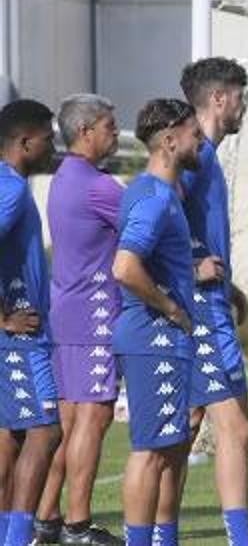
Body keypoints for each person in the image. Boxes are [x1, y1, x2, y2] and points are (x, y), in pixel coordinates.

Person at [34, 95, 124, 546]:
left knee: (70, 424)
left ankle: (47, 521)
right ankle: (77, 526)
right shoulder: (99, 186)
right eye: (110, 124)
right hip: (95, 317)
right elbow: (150, 228)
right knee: (94, 417)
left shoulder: (63, 178)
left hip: (64, 313)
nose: (116, 131)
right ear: (85, 130)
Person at [110, 99, 201, 546]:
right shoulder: (152, 197)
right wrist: (171, 309)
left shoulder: (166, 193)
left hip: (166, 340)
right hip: (152, 338)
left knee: (171, 448)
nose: (200, 139)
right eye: (193, 132)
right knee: (148, 452)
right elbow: (125, 267)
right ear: (170, 140)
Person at [178, 57, 248, 544]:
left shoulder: (209, 155)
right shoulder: (194, 155)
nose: (243, 107)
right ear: (220, 98)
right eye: (239, 97)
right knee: (236, 428)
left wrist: (231, 285)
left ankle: (160, 531)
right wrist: (190, 270)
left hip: (212, 302)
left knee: (186, 427)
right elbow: (154, 215)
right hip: (200, 309)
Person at [0, 99, 62, 546]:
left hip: (21, 336)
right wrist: (3, 317)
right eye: (48, 137)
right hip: (20, 338)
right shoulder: (12, 189)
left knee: (13, 438)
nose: (53, 144)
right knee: (46, 430)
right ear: (25, 142)